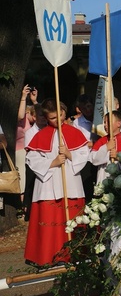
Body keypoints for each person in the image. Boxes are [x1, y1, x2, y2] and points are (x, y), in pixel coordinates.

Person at [25, 98, 89, 267]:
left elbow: (84, 154)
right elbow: (31, 158)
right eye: (53, 118)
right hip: (48, 184)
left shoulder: (75, 132)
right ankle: (48, 255)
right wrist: (52, 163)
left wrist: (69, 154)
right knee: (50, 221)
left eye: (60, 115)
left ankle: (74, 254)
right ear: (46, 118)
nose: (58, 120)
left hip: (71, 181)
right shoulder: (40, 135)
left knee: (72, 219)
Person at [22, 103, 47, 221]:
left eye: (44, 115)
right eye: (40, 115)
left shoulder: (50, 130)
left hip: (48, 163)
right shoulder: (30, 132)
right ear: (34, 117)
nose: (43, 118)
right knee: (32, 189)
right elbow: (30, 150)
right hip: (34, 165)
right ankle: (30, 213)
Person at [72, 94, 99, 202]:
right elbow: (78, 142)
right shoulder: (77, 123)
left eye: (89, 106)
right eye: (84, 108)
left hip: (99, 154)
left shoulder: (99, 119)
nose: (87, 110)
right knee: (87, 183)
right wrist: (90, 143)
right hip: (86, 157)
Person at [89, 110, 121, 184]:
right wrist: (106, 147)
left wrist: (118, 157)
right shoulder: (101, 141)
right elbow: (93, 159)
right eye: (104, 122)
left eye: (108, 122)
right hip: (104, 177)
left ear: (119, 123)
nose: (105, 125)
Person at [16, 85, 38, 198]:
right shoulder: (21, 116)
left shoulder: (30, 123)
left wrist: (34, 100)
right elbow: (20, 115)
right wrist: (24, 96)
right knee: (22, 180)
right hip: (19, 151)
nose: (34, 118)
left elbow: (41, 115)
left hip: (29, 152)